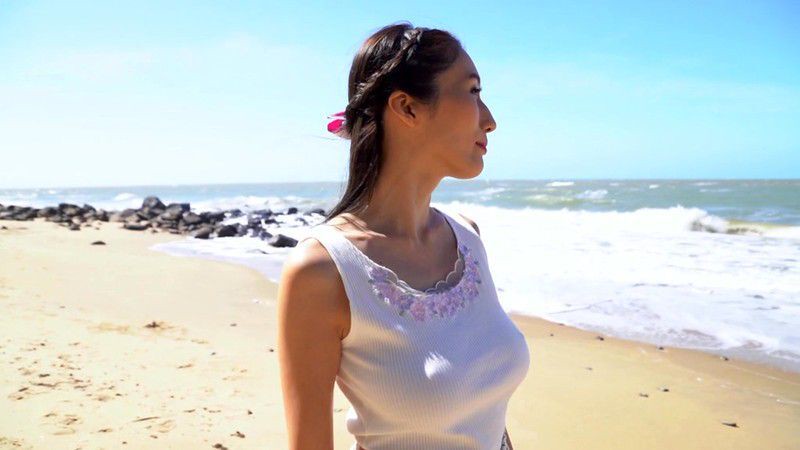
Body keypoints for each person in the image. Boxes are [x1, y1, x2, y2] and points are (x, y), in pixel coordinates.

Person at [277, 21, 530, 450]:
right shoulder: (323, 270)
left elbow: (487, 420)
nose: (490, 121)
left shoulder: (468, 238)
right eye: (473, 91)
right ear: (407, 108)